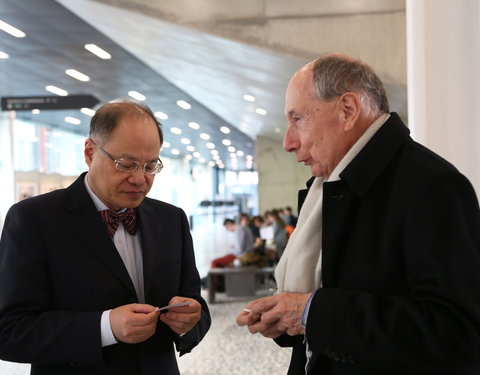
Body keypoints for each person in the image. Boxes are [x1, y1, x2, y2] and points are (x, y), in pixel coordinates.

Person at [236, 54, 480, 374]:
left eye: (298, 119)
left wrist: (312, 312)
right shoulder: (329, 188)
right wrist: (289, 319)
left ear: (348, 110)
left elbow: (456, 333)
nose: (287, 142)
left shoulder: (434, 186)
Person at [0, 99, 211, 374]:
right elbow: (9, 331)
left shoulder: (171, 220)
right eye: (126, 164)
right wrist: (105, 327)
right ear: (90, 153)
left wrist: (191, 320)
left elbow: (195, 305)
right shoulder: (34, 219)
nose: (139, 179)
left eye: (150, 166)